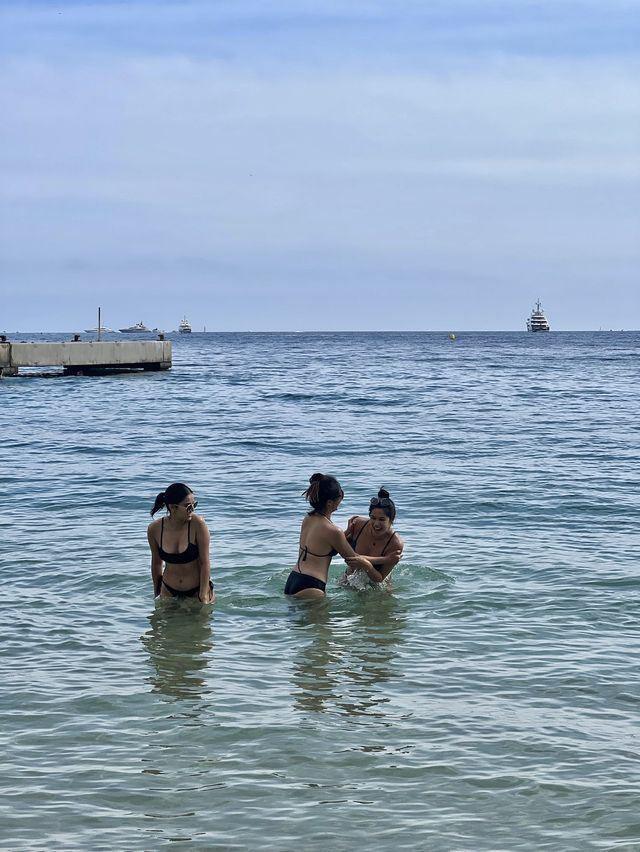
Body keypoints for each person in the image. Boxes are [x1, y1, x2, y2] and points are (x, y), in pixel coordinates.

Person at [284, 473, 378, 599]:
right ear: (329, 502)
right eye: (339, 497)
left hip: (294, 579)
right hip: (312, 585)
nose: (340, 501)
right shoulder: (333, 531)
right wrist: (387, 559)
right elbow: (354, 560)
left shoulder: (308, 519)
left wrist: (346, 533)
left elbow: (322, 544)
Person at [147, 482, 215, 603]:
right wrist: (156, 592)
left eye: (194, 505)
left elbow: (205, 562)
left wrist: (203, 594)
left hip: (197, 590)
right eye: (188, 506)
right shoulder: (155, 529)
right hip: (168, 590)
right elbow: (156, 563)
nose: (192, 510)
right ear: (173, 507)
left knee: (199, 622)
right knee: (158, 622)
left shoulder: (198, 525)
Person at [343, 487, 403, 585]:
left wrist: (367, 565)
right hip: (350, 578)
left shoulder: (395, 543)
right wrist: (347, 532)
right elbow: (335, 546)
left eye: (382, 519)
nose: (376, 524)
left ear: (391, 520)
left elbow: (380, 578)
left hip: (377, 587)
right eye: (373, 518)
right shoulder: (357, 525)